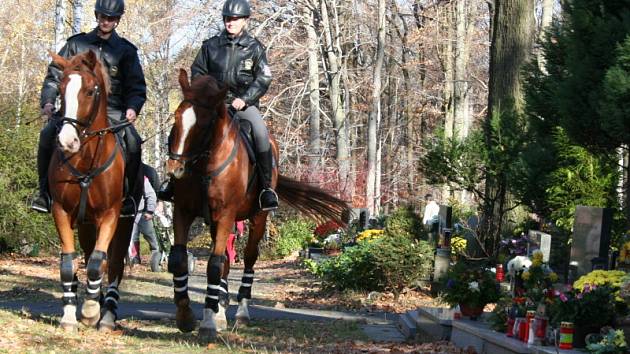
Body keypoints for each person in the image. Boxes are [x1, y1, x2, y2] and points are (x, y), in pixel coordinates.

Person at [157, 0, 278, 211]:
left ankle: (266, 189)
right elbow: (197, 71)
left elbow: (263, 78)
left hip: (242, 105)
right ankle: (172, 182)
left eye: (235, 19)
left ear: (244, 20)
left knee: (260, 133)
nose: (230, 22)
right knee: (180, 128)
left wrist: (245, 98)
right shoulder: (210, 46)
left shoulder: (254, 47)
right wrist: (205, 94)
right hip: (211, 105)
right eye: (227, 19)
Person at [31, 0, 146, 216]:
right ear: (96, 16)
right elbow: (54, 77)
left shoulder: (126, 51)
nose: (106, 21)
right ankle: (44, 193)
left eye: (111, 18)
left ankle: (128, 197)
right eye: (102, 16)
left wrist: (133, 108)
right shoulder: (76, 44)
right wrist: (48, 101)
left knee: (133, 142)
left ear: (118, 20)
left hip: (111, 111)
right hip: (73, 110)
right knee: (47, 135)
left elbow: (136, 86)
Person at [128, 175, 159, 265]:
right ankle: (135, 259)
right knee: (132, 237)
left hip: (142, 213)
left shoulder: (142, 178)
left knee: (149, 235)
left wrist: (150, 211)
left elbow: (151, 195)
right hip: (127, 213)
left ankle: (156, 254)